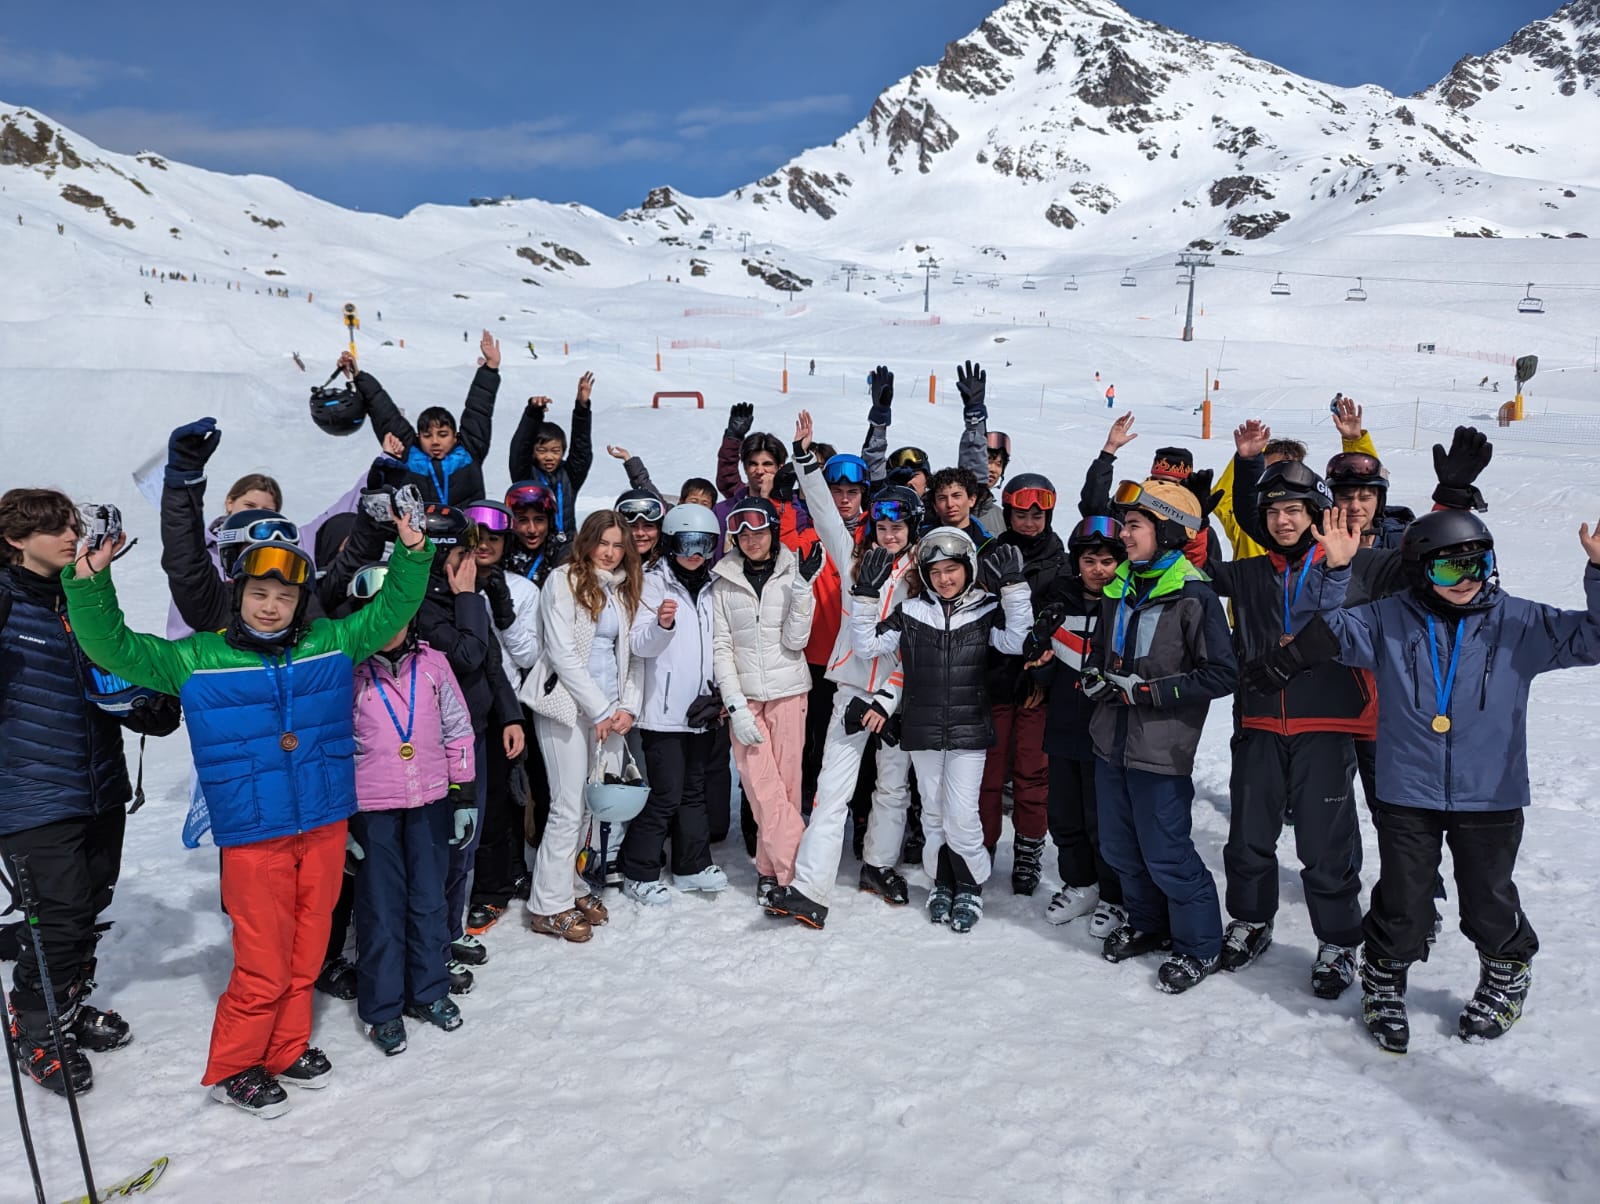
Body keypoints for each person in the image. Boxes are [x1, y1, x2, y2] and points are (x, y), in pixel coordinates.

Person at [62, 511, 433, 1117]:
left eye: (283, 596)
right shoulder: (195, 659)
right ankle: (236, 1066)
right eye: (259, 593)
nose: (270, 606)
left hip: (323, 825)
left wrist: (413, 552)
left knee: (307, 952)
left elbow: (391, 610)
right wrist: (88, 583)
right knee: (263, 962)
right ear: (239, 594)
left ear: (299, 602)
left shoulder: (330, 645)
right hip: (253, 837)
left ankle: (285, 1049)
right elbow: (113, 646)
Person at [1296, 507, 1600, 1053]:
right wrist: (1334, 572)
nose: (1465, 581)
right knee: (1405, 901)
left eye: (1476, 565)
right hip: (1407, 790)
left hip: (1492, 792)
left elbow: (1595, 637)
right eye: (1447, 570)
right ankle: (1385, 976)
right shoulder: (1388, 618)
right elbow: (1320, 634)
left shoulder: (1521, 623)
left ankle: (1506, 969)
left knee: (1488, 896)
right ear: (1418, 571)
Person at [0, 490, 176, 1096]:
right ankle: (36, 1029)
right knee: (59, 915)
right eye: (51, 527)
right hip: (28, 794)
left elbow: (112, 672)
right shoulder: (3, 599)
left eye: (72, 524)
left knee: (89, 902)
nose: (69, 534)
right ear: (15, 540)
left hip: (99, 785)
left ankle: (69, 1008)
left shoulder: (83, 601)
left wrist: (146, 703)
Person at [1205, 447, 1369, 999]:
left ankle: (1340, 940)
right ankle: (1251, 919)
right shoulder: (1249, 572)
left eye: (1296, 509)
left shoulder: (1340, 564)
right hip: (1258, 721)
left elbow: (1346, 623)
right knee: (1249, 834)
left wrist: (1341, 566)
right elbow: (1197, 573)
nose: (1284, 520)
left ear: (1315, 512)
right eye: (1274, 511)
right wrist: (1195, 523)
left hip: (1324, 724)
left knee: (1325, 842)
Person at [1084, 478, 1235, 993]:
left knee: (1166, 852)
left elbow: (1221, 674)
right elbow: (1103, 653)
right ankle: (1149, 923)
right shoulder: (1118, 587)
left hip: (1160, 750)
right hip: (1111, 742)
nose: (1123, 536)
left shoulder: (1194, 597)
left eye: (1134, 526)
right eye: (1126, 525)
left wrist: (1147, 692)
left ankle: (1200, 946)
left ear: (1167, 532)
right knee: (1120, 848)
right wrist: (1095, 674)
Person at [766, 427, 918, 930]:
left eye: (899, 528)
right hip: (851, 690)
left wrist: (892, 700)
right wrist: (806, 460)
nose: (889, 535)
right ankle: (809, 888)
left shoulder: (926, 571)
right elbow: (827, 513)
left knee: (893, 787)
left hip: (899, 695)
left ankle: (878, 864)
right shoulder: (855, 560)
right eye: (882, 526)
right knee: (832, 788)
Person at [850, 528, 1030, 933]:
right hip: (924, 728)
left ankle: (971, 883)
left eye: (952, 570)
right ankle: (942, 882)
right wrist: (865, 594)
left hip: (969, 730)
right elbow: (866, 647)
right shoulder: (913, 612)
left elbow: (1017, 641)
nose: (945, 579)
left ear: (967, 568)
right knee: (933, 813)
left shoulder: (985, 610)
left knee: (962, 816)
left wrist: (1015, 590)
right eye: (935, 572)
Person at [344, 562, 475, 1055]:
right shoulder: (348, 672)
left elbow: (458, 729)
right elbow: (331, 748)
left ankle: (429, 990)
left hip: (429, 803)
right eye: (375, 614)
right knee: (380, 907)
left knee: (429, 900)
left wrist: (463, 794)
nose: (386, 624)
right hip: (372, 809)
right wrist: (340, 822)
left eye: (395, 612)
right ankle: (382, 1008)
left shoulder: (434, 664)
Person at [409, 507, 522, 989]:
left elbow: (490, 663)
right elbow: (467, 653)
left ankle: (449, 932)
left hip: (472, 735)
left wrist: (510, 714)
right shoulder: (424, 604)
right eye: (459, 553)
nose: (471, 561)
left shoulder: (462, 595)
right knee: (437, 849)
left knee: (464, 844)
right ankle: (429, 945)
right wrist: (468, 597)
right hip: (431, 745)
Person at [519, 511, 643, 941]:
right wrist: (599, 708)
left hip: (606, 714)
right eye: (602, 543)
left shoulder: (621, 589)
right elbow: (563, 654)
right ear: (587, 542)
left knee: (589, 806)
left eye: (617, 546)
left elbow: (627, 658)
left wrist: (626, 706)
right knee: (567, 805)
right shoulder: (563, 581)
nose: (609, 553)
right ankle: (547, 906)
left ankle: (569, 886)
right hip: (565, 708)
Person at [712, 497, 821, 905]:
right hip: (747, 697)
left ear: (773, 529)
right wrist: (736, 705)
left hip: (789, 691)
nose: (751, 539)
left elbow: (797, 641)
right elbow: (721, 648)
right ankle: (796, 867)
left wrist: (803, 591)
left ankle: (768, 869)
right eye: (742, 532)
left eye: (758, 530)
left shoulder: (792, 570)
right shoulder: (723, 583)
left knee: (787, 789)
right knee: (760, 788)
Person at [618, 504, 730, 902]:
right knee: (666, 794)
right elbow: (637, 644)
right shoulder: (652, 583)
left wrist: (720, 694)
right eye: (687, 544)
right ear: (669, 543)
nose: (695, 554)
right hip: (662, 713)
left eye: (704, 545)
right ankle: (639, 869)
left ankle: (691, 864)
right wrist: (662, 626)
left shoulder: (717, 585)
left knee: (694, 791)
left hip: (701, 709)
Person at [1027, 516, 1127, 934]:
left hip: (1107, 732)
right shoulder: (1059, 601)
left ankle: (1114, 895)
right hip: (1065, 725)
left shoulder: (1125, 604)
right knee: (1064, 815)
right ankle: (1079, 883)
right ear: (1077, 563)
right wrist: (1039, 661)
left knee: (1102, 818)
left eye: (1107, 561)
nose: (1098, 570)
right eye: (1090, 560)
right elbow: (1041, 670)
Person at [977, 474, 1067, 895]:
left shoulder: (1060, 558)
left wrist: (1046, 663)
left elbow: (1062, 614)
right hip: (994, 679)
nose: (1029, 522)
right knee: (990, 770)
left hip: (1037, 685)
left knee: (1032, 772)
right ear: (1008, 513)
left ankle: (1029, 846)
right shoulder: (990, 555)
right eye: (1020, 514)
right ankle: (984, 843)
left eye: (1037, 514)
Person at [464, 501, 540, 935]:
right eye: (476, 538)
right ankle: (492, 875)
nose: (485, 546)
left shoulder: (522, 590)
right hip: (453, 709)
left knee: (502, 799)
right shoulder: (447, 584)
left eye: (493, 538)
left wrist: (504, 609)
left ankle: (496, 884)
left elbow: (528, 655)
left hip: (505, 709)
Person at [345, 333, 501, 507]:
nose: (435, 441)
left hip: (466, 532)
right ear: (419, 438)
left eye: (442, 434)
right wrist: (358, 375)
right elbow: (384, 411)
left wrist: (491, 368)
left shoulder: (470, 451)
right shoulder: (408, 453)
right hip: (419, 534)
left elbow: (479, 408)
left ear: (455, 437)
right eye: (427, 435)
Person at [505, 373, 597, 542]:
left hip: (567, 543)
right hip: (534, 541)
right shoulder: (526, 475)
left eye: (555, 451)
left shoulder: (570, 476)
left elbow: (581, 448)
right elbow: (520, 448)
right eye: (542, 450)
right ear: (533, 452)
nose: (549, 457)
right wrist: (533, 415)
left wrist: (582, 408)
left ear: (563, 452)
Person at [502, 481, 567, 586]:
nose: (532, 530)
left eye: (539, 520)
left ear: (550, 522)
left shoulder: (563, 556)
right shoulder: (501, 554)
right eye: (523, 520)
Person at [616, 489, 666, 567]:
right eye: (632, 526)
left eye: (648, 526)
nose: (640, 533)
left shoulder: (673, 568)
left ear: (660, 529)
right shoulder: (605, 563)